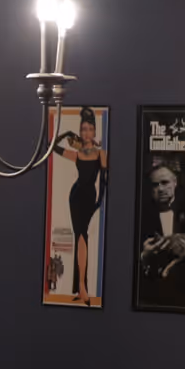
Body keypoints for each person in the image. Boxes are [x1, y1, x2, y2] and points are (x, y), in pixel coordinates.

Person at [53, 109, 106, 303]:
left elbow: (104, 181)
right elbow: (51, 147)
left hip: (89, 197)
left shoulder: (101, 153)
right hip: (75, 196)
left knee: (83, 237)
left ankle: (82, 288)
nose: (86, 133)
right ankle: (81, 289)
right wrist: (66, 134)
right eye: (83, 129)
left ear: (94, 132)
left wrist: (98, 203)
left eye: (90, 129)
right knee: (80, 237)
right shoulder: (77, 155)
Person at [136, 160, 185, 308]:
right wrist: (143, 256)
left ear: (175, 182)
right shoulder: (140, 215)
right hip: (151, 295)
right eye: (155, 185)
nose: (161, 189)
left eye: (165, 182)